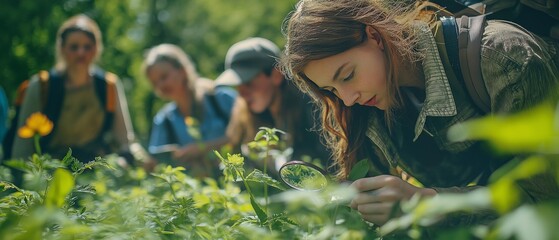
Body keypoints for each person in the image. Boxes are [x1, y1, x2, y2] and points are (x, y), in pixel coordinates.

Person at [280, 0, 559, 227]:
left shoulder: (501, 57)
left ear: (375, 36)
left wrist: (426, 203)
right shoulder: (364, 112)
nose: (348, 99)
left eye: (348, 75)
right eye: (331, 90)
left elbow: (547, 198)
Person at [11, 14, 136, 163]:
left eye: (87, 46)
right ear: (62, 49)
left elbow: (124, 139)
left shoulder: (109, 85)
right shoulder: (41, 86)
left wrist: (136, 160)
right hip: (51, 169)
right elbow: (22, 146)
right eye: (74, 47)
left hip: (94, 167)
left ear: (96, 49)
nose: (81, 53)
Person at [216, 37, 331, 173]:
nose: (242, 94)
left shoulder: (313, 109)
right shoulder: (246, 115)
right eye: (238, 86)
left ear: (276, 75)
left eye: (248, 83)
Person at [143, 43, 236, 178]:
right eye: (155, 83)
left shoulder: (221, 99)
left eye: (164, 77)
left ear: (182, 70)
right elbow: (156, 159)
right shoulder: (163, 120)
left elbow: (250, 134)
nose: (160, 85)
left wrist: (202, 149)